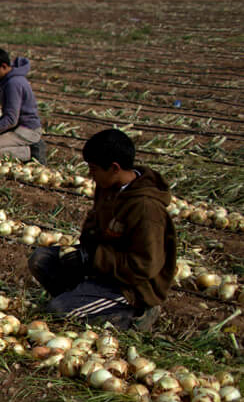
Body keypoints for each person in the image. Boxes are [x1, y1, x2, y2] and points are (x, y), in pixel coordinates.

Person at [27, 129, 175, 329]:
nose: (90, 174)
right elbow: (93, 229)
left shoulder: (146, 209)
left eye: (94, 169)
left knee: (57, 310)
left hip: (132, 288)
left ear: (114, 168)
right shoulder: (107, 187)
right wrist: (84, 255)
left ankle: (134, 316)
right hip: (104, 270)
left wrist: (94, 258)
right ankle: (83, 299)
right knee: (41, 259)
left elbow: (144, 266)